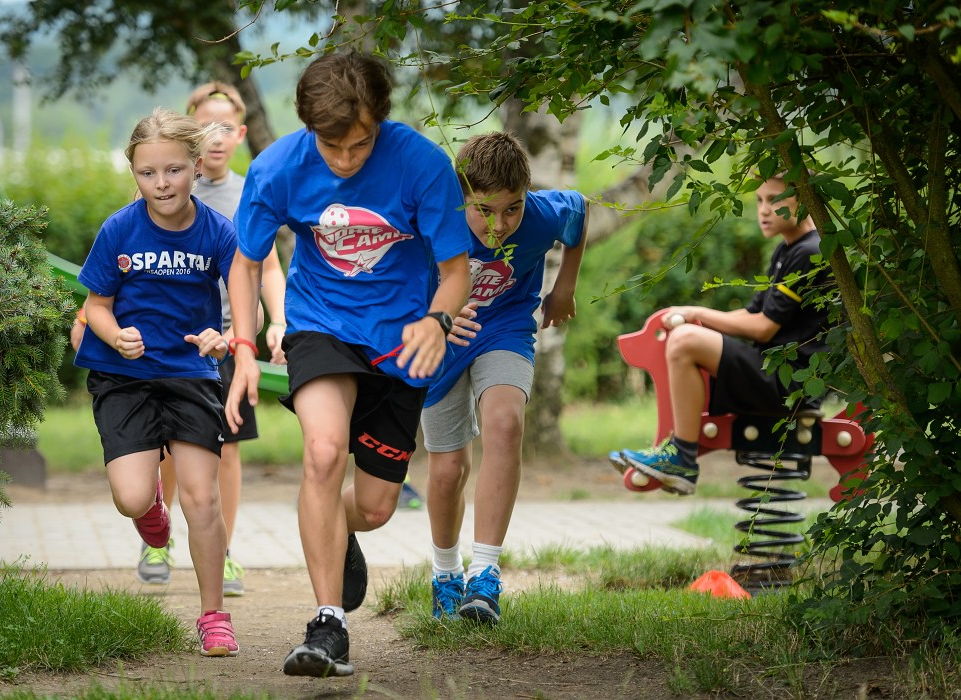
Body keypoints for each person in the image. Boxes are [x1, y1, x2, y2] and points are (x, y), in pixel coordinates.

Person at [224, 51, 472, 678]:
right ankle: (327, 624)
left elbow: (455, 271)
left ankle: (335, 526)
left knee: (377, 506)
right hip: (320, 326)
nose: (343, 159)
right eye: (330, 145)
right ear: (309, 126)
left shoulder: (422, 164)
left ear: (379, 122)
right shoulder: (277, 168)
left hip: (401, 341)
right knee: (324, 453)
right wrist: (246, 348)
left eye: (359, 144)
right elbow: (245, 264)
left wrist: (438, 321)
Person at [74, 107, 240, 657]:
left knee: (203, 499)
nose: (161, 183)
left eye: (173, 170)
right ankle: (150, 508)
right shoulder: (119, 229)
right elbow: (96, 306)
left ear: (196, 166)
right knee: (131, 496)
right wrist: (115, 334)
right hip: (125, 376)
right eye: (148, 173)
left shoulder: (219, 232)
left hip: (191, 373)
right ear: (134, 173)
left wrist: (226, 338)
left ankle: (214, 615)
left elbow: (247, 306)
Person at [421, 132, 589, 624]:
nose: (499, 225)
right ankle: (446, 573)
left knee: (504, 423)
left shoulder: (540, 215)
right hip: (442, 343)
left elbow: (579, 211)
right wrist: (435, 317)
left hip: (505, 328)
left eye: (512, 209)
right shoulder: (434, 219)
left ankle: (485, 575)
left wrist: (564, 287)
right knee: (448, 470)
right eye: (484, 211)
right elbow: (393, 279)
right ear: (462, 198)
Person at [134, 82, 289, 595]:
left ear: (241, 134)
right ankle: (157, 539)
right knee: (169, 449)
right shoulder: (169, 182)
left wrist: (276, 320)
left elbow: (268, 267)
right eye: (206, 126)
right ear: (189, 132)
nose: (216, 137)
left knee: (228, 447)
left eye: (226, 127)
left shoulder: (249, 194)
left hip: (227, 340)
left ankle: (221, 550)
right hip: (168, 340)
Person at [608, 171, 834, 495]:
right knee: (690, 336)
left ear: (805, 201)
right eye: (759, 200)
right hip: (777, 371)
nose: (763, 210)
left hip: (790, 383)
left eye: (774, 200)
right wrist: (700, 320)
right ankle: (675, 449)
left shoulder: (810, 251)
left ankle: (682, 456)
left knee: (685, 340)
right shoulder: (787, 251)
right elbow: (752, 314)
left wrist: (696, 315)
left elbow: (763, 328)